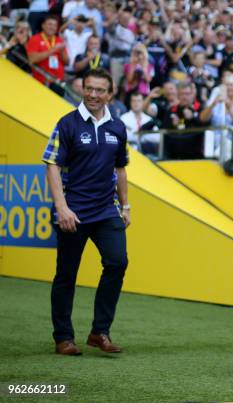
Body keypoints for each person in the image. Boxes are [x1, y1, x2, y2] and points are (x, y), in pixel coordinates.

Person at [42, 68, 130, 356]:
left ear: (110, 93)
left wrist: (125, 205)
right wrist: (61, 207)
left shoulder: (117, 127)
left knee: (117, 263)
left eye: (99, 90)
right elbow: (52, 164)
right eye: (88, 88)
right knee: (66, 275)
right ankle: (63, 338)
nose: (93, 94)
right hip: (73, 212)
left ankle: (99, 332)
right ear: (82, 88)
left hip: (107, 210)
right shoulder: (67, 124)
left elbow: (121, 169)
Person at [26, 14, 69, 87]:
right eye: (50, 24)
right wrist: (53, 50)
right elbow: (32, 59)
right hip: (41, 81)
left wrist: (61, 51)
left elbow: (67, 62)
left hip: (58, 82)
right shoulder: (35, 39)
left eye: (55, 25)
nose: (52, 27)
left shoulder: (59, 40)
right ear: (43, 25)